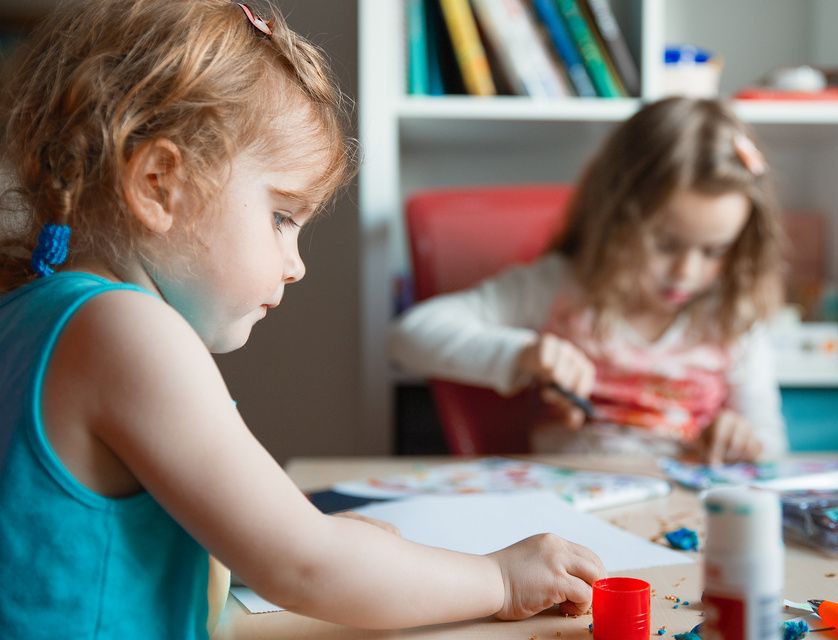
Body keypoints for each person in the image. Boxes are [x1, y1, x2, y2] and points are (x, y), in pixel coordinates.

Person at [0, 2, 605, 637]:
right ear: (157, 183)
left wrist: (303, 539)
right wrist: (500, 579)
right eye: (282, 217)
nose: (296, 266)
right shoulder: (126, 332)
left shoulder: (31, 313)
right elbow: (310, 568)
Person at [390, 97, 788, 464]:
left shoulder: (733, 319)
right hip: (571, 513)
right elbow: (410, 336)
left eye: (714, 251)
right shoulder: (560, 288)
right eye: (665, 245)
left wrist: (744, 439)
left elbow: (771, 443)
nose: (686, 271)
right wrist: (523, 354)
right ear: (614, 218)